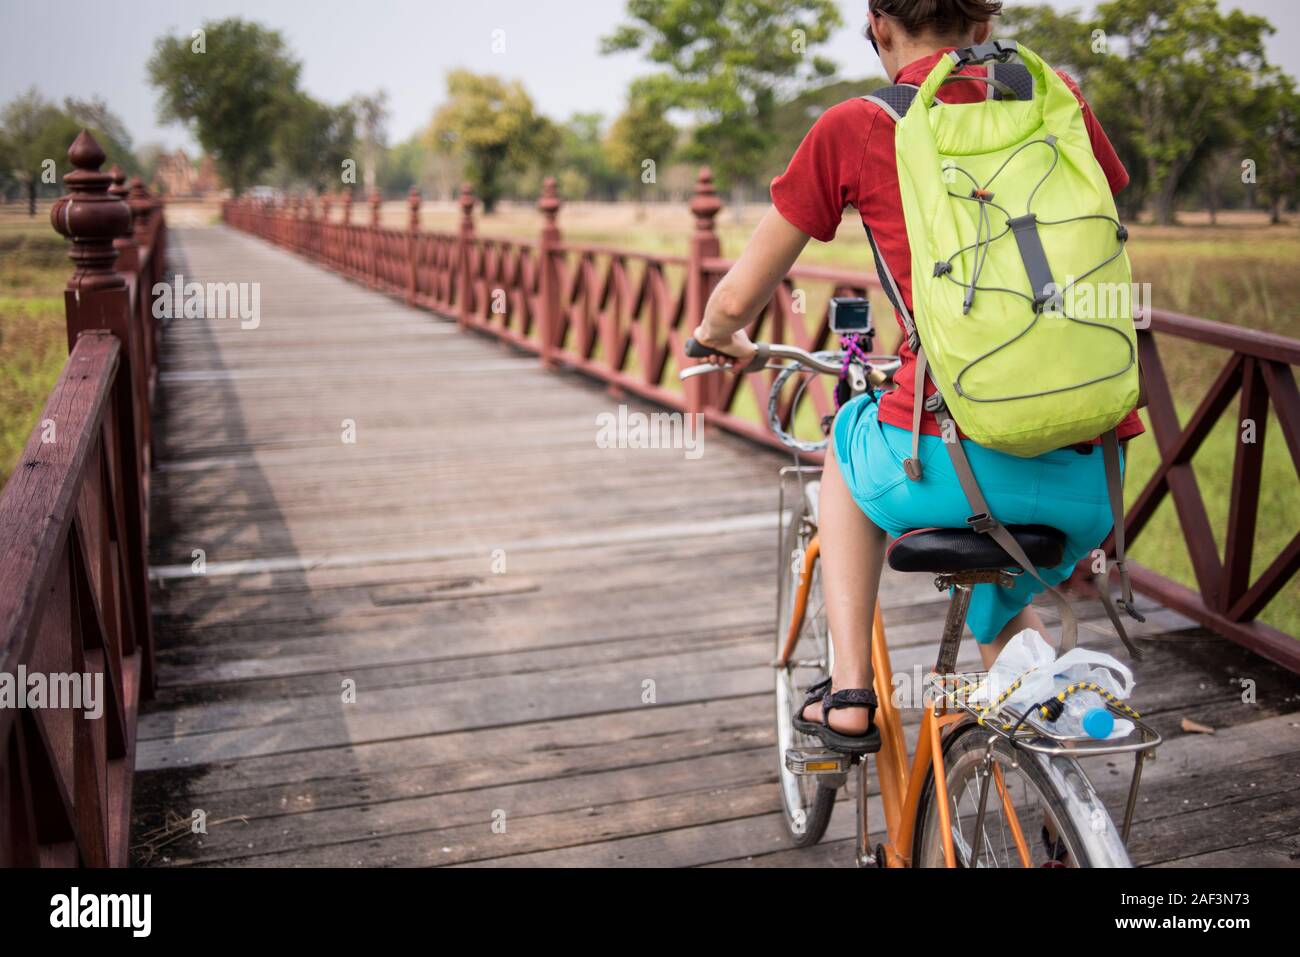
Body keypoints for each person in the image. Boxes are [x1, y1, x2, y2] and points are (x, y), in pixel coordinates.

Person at [690, 0, 1143, 750]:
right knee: (1003, 607)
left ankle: (849, 694)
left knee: (844, 443)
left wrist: (717, 333)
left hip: (952, 466)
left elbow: (737, 296)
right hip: (1095, 475)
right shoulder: (1056, 95)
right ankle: (1052, 798)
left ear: (878, 23)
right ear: (981, 25)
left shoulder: (858, 124)